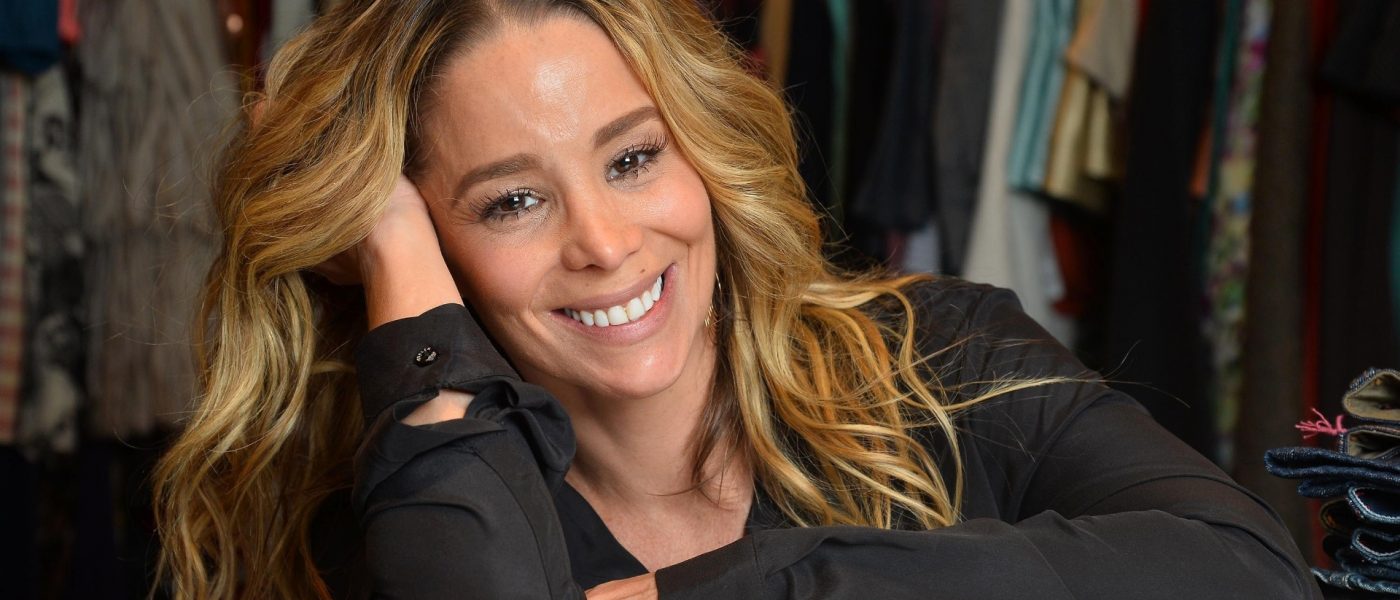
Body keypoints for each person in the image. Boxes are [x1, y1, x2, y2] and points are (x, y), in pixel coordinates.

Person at [152, 0, 1323, 598]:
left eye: (631, 157)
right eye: (510, 202)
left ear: (704, 149)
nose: (606, 243)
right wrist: (393, 243)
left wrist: (746, 590)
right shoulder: (421, 512)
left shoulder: (943, 362)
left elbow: (1245, 570)